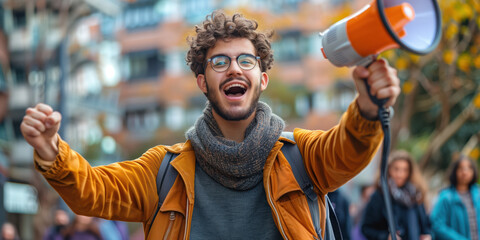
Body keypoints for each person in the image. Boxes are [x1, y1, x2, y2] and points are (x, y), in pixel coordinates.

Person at [20, 11, 400, 239]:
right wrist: (52, 150)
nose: (234, 68)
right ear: (203, 82)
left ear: (262, 78)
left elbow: (346, 150)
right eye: (220, 62)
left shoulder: (303, 156)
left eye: (245, 61)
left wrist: (366, 107)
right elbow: (93, 191)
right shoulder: (164, 171)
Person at [361, 150, 431, 240]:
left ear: (410, 172)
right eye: (396, 169)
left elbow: (426, 226)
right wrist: (386, 237)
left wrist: (427, 235)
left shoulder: (416, 195)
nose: (400, 174)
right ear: (388, 169)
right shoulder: (380, 195)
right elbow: (366, 228)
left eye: (405, 170)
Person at [430, 155, 480, 240]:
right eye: (461, 168)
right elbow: (437, 225)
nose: (465, 172)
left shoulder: (477, 195)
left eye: (469, 168)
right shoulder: (446, 197)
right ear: (454, 172)